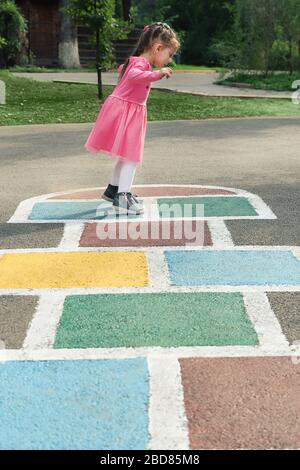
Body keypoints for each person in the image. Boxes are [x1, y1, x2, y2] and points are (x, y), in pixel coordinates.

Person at [84, 22, 180, 214]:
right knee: (131, 157)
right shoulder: (140, 64)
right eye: (169, 55)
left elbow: (125, 71)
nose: (169, 60)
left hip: (128, 111)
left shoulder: (137, 61)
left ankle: (113, 190)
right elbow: (135, 75)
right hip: (126, 112)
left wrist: (152, 72)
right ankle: (123, 196)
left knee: (126, 155)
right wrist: (157, 74)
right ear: (157, 48)